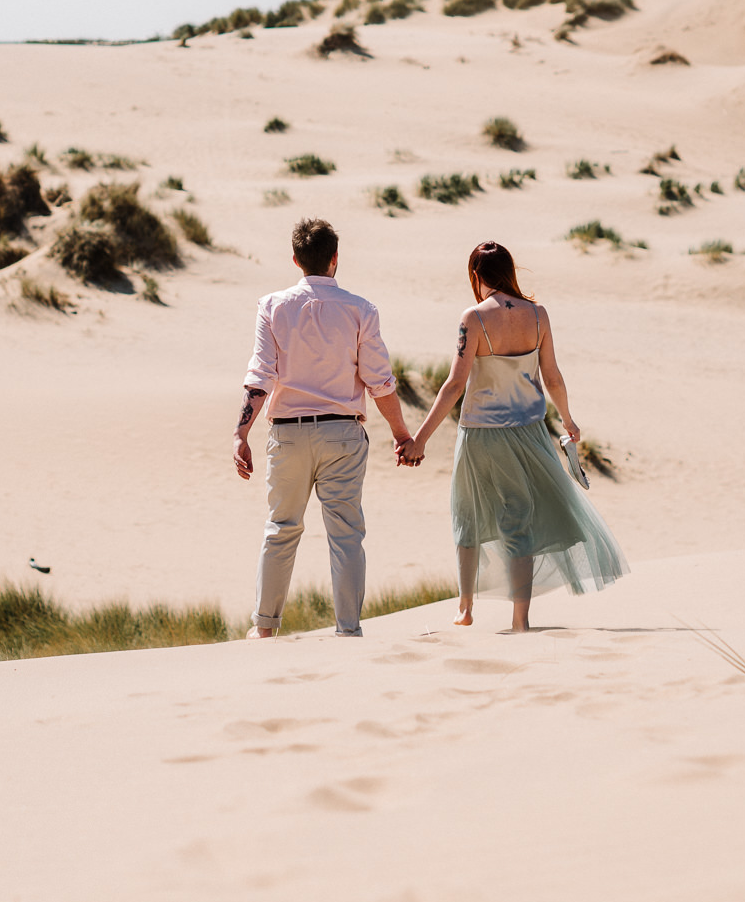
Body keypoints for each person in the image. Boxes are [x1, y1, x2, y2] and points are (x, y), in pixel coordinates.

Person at [400, 242, 625, 631]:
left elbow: (454, 385)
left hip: (480, 435)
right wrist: (569, 421)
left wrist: (418, 439)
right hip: (530, 433)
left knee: (466, 515)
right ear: (510, 272)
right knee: (519, 520)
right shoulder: (537, 315)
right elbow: (552, 376)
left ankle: (465, 608)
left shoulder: (473, 318)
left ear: (476, 275)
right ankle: (521, 619)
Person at [233, 218, 412, 639]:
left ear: (295, 260)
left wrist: (240, 434)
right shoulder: (361, 310)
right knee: (346, 535)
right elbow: (379, 380)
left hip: (288, 433)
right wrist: (402, 433)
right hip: (343, 434)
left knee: (281, 528)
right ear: (335, 259)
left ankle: (264, 629)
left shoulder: (272, 306)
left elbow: (260, 375)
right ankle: (348, 629)